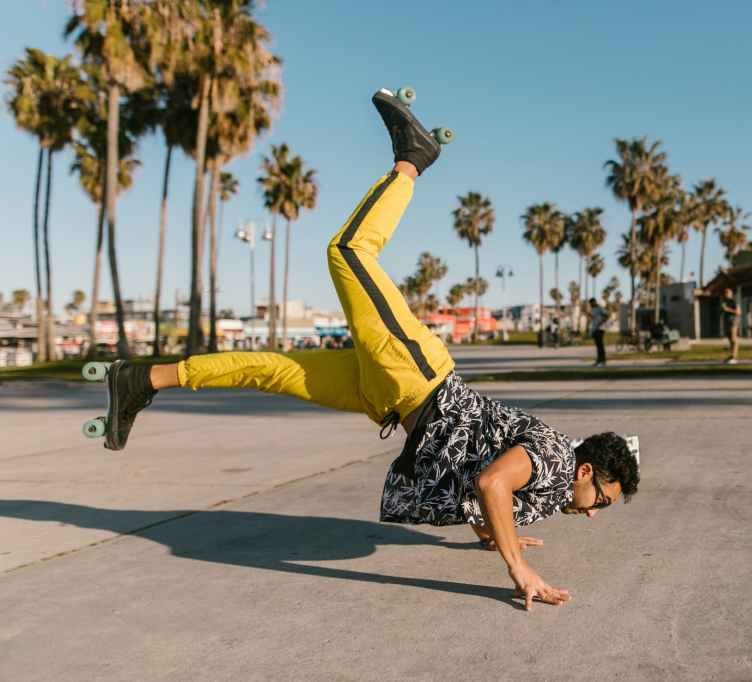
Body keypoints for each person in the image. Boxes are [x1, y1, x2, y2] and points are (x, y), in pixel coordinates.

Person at [92, 87, 639, 611]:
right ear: (588, 472)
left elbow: (476, 471)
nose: (594, 514)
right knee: (349, 251)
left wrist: (496, 536)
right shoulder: (553, 458)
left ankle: (140, 380)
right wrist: (519, 567)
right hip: (416, 377)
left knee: (269, 369)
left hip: (389, 398)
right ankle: (412, 161)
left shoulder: (553, 484)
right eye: (604, 502)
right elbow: (493, 481)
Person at [721, 287, 740, 364]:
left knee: (733, 338)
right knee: (729, 339)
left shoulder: (734, 301)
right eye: (725, 293)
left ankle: (734, 357)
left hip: (733, 321)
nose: (726, 294)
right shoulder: (724, 302)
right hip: (727, 322)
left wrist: (727, 309)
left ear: (731, 294)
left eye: (727, 293)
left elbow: (738, 312)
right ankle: (731, 356)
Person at [588, 298, 607, 367]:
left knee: (600, 345)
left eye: (592, 303)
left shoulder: (600, 308)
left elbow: (606, 315)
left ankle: (603, 361)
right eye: (590, 303)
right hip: (595, 329)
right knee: (598, 346)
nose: (591, 304)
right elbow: (593, 317)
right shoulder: (593, 309)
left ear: (595, 302)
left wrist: (601, 322)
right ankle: (599, 360)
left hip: (600, 328)